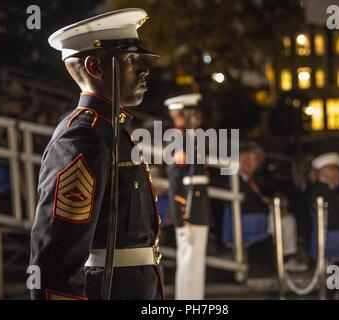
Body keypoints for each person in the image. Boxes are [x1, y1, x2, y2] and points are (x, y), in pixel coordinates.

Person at [29, 8, 164, 300]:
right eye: (130, 59)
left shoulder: (112, 129)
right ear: (94, 67)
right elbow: (56, 258)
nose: (144, 69)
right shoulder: (83, 137)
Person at [164, 93, 210, 300]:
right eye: (193, 114)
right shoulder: (179, 139)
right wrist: (182, 209)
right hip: (189, 205)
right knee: (190, 258)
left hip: (194, 203)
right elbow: (177, 177)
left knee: (192, 259)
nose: (198, 118)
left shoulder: (188, 138)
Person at [238, 143, 306, 271]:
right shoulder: (236, 180)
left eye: (255, 160)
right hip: (249, 216)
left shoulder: (253, 179)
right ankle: (281, 259)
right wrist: (272, 210)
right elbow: (249, 202)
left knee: (288, 219)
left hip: (261, 212)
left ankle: (285, 258)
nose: (253, 164)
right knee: (285, 221)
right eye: (249, 160)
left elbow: (261, 196)